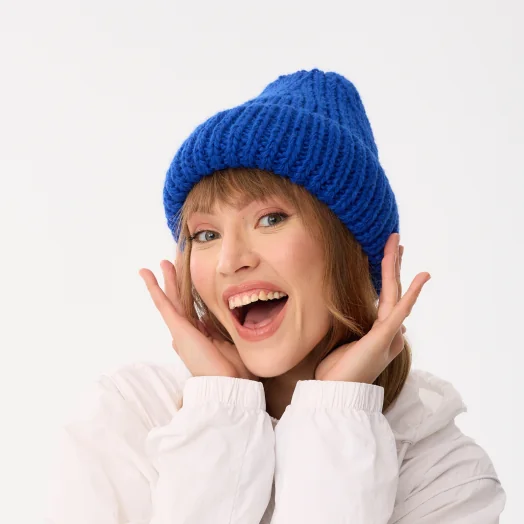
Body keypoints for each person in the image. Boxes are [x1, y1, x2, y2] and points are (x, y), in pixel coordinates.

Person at [44, 68, 506, 523]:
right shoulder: (128, 416)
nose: (229, 261)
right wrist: (220, 411)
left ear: (351, 247)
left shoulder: (445, 476)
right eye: (206, 234)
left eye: (270, 220)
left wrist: (338, 412)